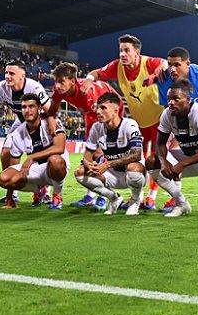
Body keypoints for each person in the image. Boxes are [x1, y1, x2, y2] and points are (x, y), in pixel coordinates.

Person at [82, 34, 166, 209]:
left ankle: (151, 197)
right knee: (136, 161)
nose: (122, 54)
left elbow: (163, 63)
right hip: (138, 122)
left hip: (158, 120)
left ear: (137, 52)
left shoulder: (147, 62)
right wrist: (89, 79)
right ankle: (137, 196)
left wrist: (161, 68)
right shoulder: (117, 66)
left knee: (157, 160)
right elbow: (96, 72)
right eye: (120, 50)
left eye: (126, 50)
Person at [153, 46, 198, 213]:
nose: (172, 69)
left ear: (188, 64)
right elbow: (168, 107)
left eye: (177, 65)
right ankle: (176, 200)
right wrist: (173, 132)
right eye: (170, 64)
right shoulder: (164, 80)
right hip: (183, 117)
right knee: (171, 150)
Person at [145, 79, 198, 219]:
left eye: (176, 99)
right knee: (151, 161)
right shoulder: (167, 114)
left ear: (188, 99)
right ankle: (181, 203)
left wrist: (182, 164)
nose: (171, 102)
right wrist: (163, 162)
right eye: (169, 99)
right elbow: (160, 144)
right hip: (186, 155)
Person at [48, 61, 124, 209]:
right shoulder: (59, 91)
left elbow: (105, 116)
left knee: (99, 153)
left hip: (111, 108)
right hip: (89, 113)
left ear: (72, 81)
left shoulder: (88, 92)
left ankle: (104, 196)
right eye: (56, 82)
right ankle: (91, 196)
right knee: (93, 154)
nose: (57, 86)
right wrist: (51, 120)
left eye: (61, 81)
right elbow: (54, 107)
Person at [0, 62, 52, 205]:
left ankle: (45, 191)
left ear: (22, 76)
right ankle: (12, 189)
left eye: (11, 73)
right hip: (20, 122)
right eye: (6, 73)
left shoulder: (34, 87)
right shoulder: (2, 87)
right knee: (5, 153)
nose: (7, 76)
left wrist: (49, 128)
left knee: (41, 156)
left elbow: (48, 109)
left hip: (40, 122)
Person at [74, 93, 145, 216]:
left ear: (116, 110)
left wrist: (107, 165)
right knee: (80, 173)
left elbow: (136, 155)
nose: (98, 111)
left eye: (103, 108)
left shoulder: (130, 124)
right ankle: (114, 198)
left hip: (134, 174)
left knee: (133, 168)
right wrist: (89, 165)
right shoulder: (96, 127)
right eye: (97, 108)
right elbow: (87, 156)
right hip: (112, 174)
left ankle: (135, 200)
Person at [0, 93, 68, 209]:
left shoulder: (52, 123)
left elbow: (59, 148)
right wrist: (9, 198)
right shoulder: (17, 134)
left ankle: (57, 195)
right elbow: (13, 164)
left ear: (39, 108)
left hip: (56, 168)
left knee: (55, 160)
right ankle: (38, 191)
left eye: (31, 106)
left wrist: (31, 157)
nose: (27, 110)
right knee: (3, 178)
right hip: (35, 170)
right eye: (24, 107)